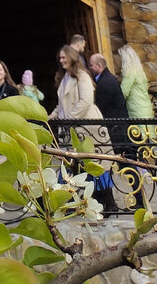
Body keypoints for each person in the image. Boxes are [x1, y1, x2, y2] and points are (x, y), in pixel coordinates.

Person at [51, 44, 115, 215]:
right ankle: (65, 203)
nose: (61, 60)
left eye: (64, 57)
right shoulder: (64, 78)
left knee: (96, 165)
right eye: (60, 57)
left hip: (88, 129)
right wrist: (51, 116)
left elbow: (86, 100)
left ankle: (107, 204)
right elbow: (61, 105)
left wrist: (70, 119)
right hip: (72, 131)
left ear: (72, 57)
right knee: (70, 165)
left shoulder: (82, 76)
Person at [90, 52, 139, 210]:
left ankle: (139, 200)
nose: (90, 68)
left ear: (99, 66)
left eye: (91, 65)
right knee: (119, 166)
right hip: (118, 128)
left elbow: (100, 107)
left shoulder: (105, 83)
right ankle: (111, 202)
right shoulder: (107, 79)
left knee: (126, 165)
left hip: (117, 131)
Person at [118, 45, 154, 120]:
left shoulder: (130, 72)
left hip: (137, 109)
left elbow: (123, 92)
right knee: (148, 130)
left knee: (139, 131)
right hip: (145, 107)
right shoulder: (140, 71)